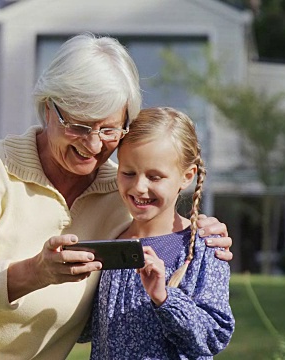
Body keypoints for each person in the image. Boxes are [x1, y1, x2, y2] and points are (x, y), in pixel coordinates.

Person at [0, 33, 233, 360]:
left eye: (109, 131)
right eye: (78, 126)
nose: (92, 145)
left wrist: (197, 227)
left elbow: (159, 217)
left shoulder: (120, 190)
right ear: (46, 109)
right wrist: (34, 273)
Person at [84, 107, 235, 359]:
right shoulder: (110, 245)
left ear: (186, 177)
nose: (139, 187)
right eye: (128, 173)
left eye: (155, 177)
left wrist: (164, 297)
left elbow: (214, 335)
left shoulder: (204, 247)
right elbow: (87, 330)